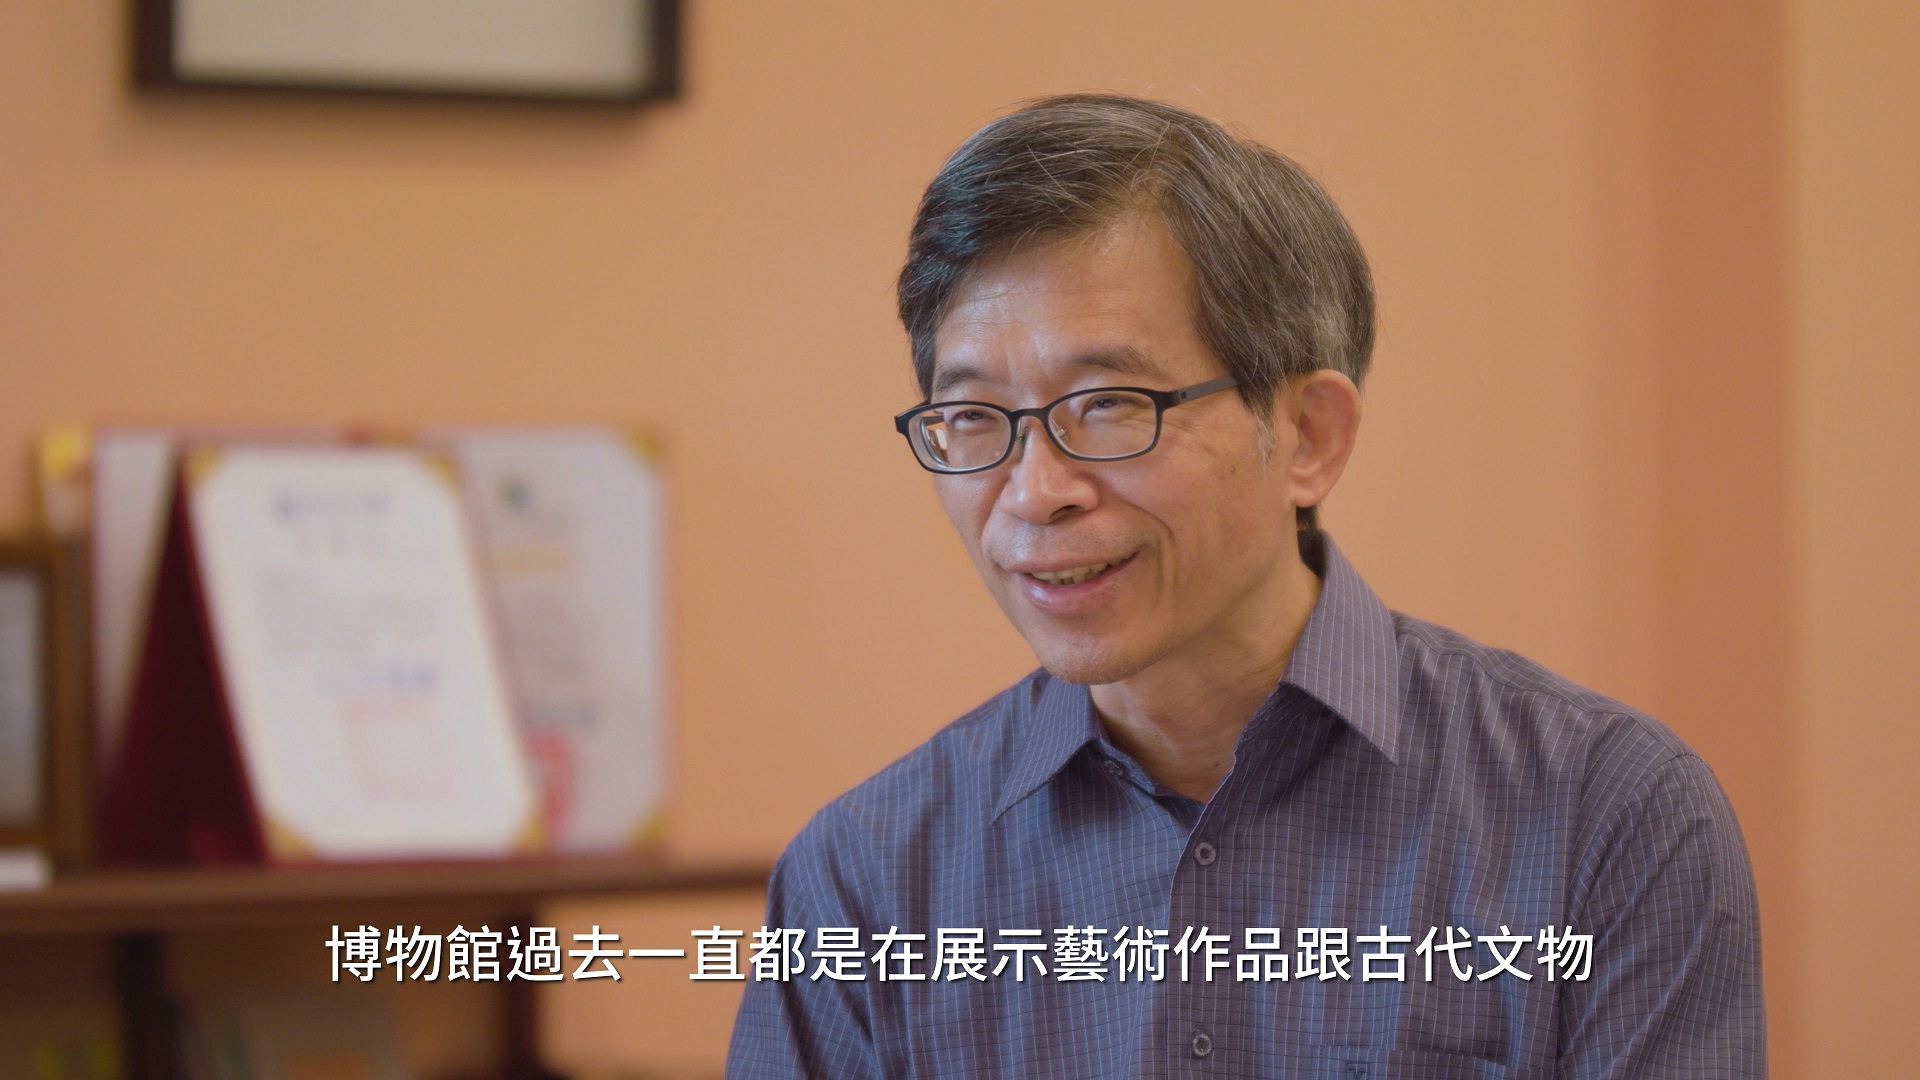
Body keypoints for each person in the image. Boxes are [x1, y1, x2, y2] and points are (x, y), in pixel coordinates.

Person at [727, 93, 1764, 1078]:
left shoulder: (1604, 817)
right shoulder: (865, 883)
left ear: (1308, 435)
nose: (1035, 493)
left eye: (1108, 404)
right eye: (973, 418)